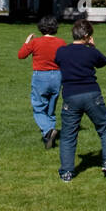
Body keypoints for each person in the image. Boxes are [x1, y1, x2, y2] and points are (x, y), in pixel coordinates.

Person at [55, 20, 106, 182]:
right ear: (87, 37)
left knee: (68, 135)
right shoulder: (91, 52)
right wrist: (93, 47)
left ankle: (67, 172)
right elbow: (103, 61)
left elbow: (58, 61)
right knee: (105, 127)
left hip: (70, 96)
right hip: (91, 94)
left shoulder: (61, 52)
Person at [17, 14, 63, 148]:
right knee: (51, 106)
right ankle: (49, 134)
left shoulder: (35, 42)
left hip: (41, 76)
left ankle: (48, 130)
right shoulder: (61, 42)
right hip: (57, 76)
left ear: (41, 28)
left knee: (38, 106)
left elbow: (21, 55)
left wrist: (26, 42)